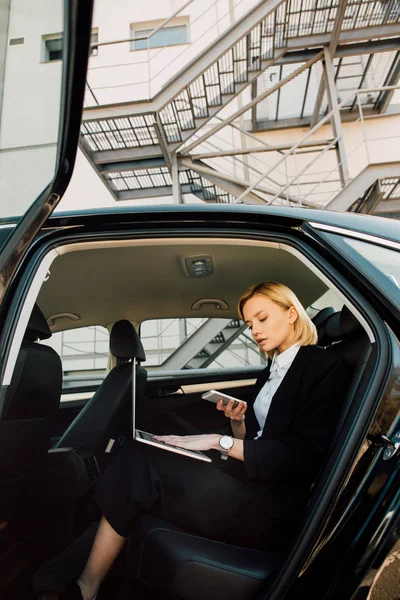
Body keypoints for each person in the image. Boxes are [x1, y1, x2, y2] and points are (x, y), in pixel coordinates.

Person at [67, 282, 352, 600]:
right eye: (249, 324)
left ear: (291, 313)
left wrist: (220, 441)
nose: (254, 330)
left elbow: (299, 457)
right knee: (143, 451)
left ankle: (86, 588)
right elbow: (261, 439)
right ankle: (90, 575)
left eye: (262, 318)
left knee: (139, 463)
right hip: (250, 481)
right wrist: (238, 424)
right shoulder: (272, 369)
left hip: (272, 508)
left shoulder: (323, 367)